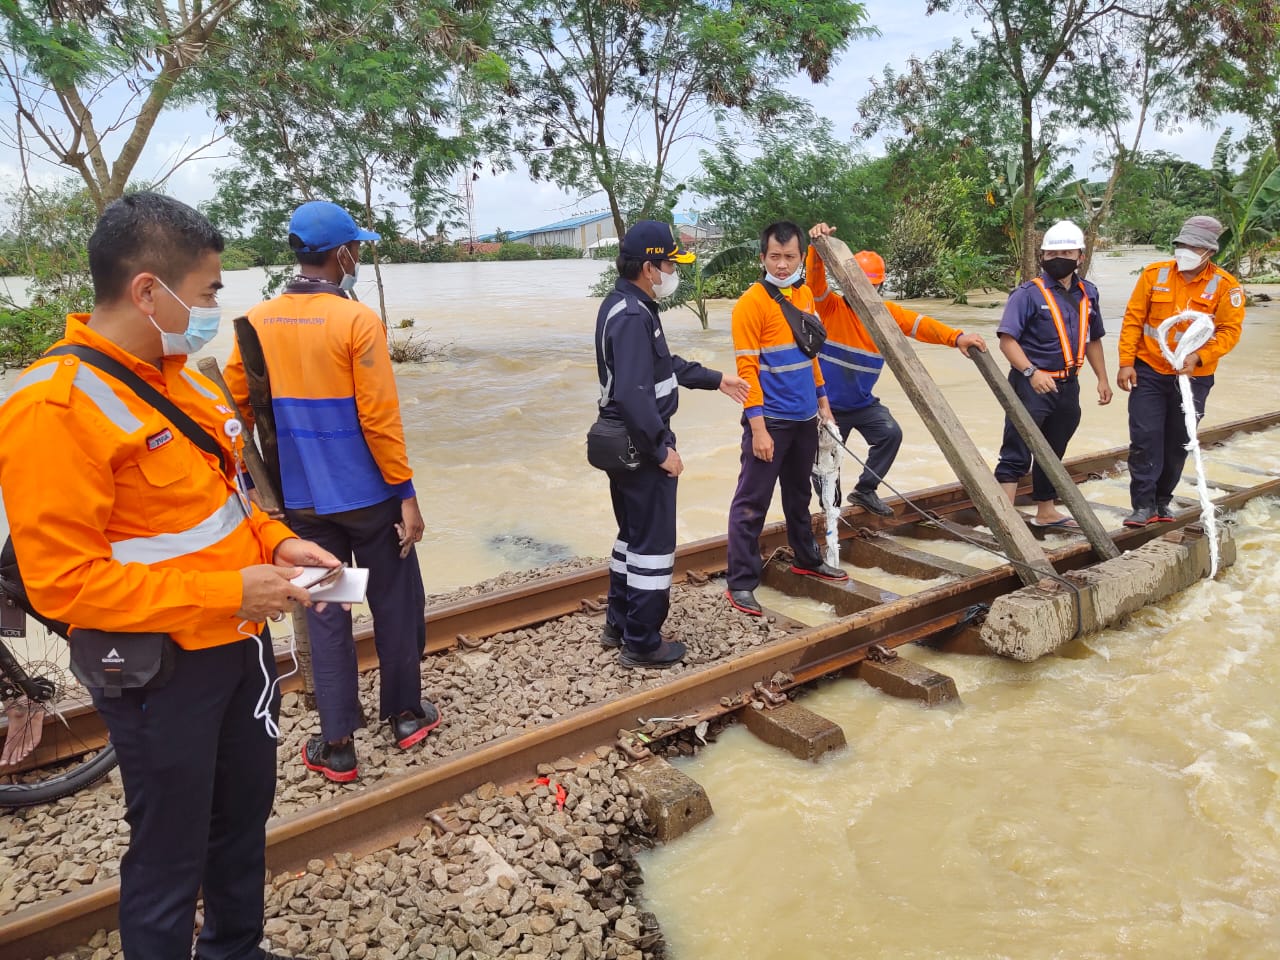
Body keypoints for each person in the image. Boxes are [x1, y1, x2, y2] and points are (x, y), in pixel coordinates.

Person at [0, 192, 341, 960]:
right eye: (209, 291)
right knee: (168, 852)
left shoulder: (182, 376)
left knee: (240, 819)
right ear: (148, 291)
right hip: (157, 672)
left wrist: (278, 542)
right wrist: (226, 590)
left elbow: (228, 499)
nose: (216, 306)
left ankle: (235, 949)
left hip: (237, 645)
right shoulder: (52, 410)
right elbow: (63, 585)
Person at [225, 201, 435, 783]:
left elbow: (233, 411)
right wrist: (407, 495)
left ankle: (338, 743)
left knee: (328, 610)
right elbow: (379, 420)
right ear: (342, 254)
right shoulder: (357, 321)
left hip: (303, 507)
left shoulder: (255, 321)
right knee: (394, 602)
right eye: (356, 248)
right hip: (370, 501)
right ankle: (406, 716)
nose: (359, 257)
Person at [595, 221, 749, 667]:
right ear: (649, 267)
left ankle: (618, 623)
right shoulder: (630, 316)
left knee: (631, 538)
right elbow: (633, 394)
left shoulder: (628, 306)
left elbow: (663, 366)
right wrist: (661, 451)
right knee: (653, 547)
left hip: (624, 444)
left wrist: (716, 379)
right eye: (669, 264)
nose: (672, 272)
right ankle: (642, 642)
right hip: (640, 447)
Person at [805, 223, 987, 515]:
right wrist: (816, 248)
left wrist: (957, 337)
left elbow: (921, 326)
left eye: (871, 284)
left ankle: (865, 490)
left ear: (879, 285)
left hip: (861, 404)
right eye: (858, 283)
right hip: (827, 406)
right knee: (825, 462)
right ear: (846, 283)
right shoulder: (831, 308)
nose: (864, 289)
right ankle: (831, 508)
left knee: (890, 433)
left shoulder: (886, 315)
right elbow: (815, 284)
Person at [725, 220, 849, 617]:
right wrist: (757, 428)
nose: (782, 265)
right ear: (762, 258)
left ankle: (806, 557)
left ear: (799, 258)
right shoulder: (750, 304)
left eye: (790, 257)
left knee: (800, 494)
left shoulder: (804, 296)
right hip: (771, 421)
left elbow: (810, 355)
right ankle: (741, 583)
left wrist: (823, 401)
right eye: (774, 257)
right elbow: (747, 372)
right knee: (751, 503)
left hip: (804, 418)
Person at [1116, 215, 1244, 526]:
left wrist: (1200, 357)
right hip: (1150, 370)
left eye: (1192, 247)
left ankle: (1162, 502)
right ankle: (1142, 506)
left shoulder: (1226, 287)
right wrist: (1126, 362)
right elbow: (1133, 319)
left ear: (1208, 252)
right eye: (1181, 245)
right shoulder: (1153, 275)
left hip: (1193, 378)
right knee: (1145, 437)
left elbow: (1230, 331)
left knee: (1178, 441)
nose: (1184, 251)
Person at [993, 220, 1112, 527]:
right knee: (1017, 447)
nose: (1059, 257)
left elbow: (1092, 339)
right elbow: (1008, 341)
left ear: (1080, 256)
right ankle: (1005, 521)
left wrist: (1102, 378)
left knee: (1053, 448)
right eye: (1052, 252)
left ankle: (1045, 511)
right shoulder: (1027, 294)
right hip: (1031, 383)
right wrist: (1031, 372)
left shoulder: (1089, 294)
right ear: (1043, 256)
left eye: (1067, 251)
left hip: (1067, 385)